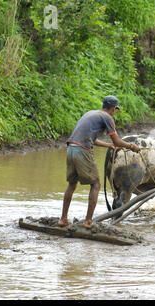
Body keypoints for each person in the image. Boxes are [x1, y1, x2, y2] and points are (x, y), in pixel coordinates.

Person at [58, 95, 141, 229]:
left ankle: (63, 219)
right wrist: (132, 146)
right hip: (83, 150)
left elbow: (93, 140)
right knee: (95, 184)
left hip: (71, 148)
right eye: (115, 110)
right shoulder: (108, 118)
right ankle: (88, 221)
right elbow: (117, 141)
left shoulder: (91, 114)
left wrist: (108, 146)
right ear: (114, 109)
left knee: (72, 184)